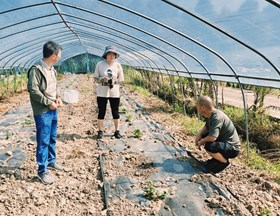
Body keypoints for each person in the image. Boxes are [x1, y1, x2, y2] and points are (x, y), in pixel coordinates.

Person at [27, 41, 63, 184]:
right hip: (43, 110)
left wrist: (58, 98)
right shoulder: (36, 70)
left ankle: (51, 161)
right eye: (59, 53)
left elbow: (55, 86)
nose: (60, 56)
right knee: (43, 140)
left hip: (53, 109)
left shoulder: (52, 69)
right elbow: (34, 91)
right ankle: (42, 171)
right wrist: (49, 103)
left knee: (52, 137)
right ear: (53, 56)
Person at [195, 96, 240, 173]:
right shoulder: (211, 115)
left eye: (197, 106)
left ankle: (224, 163)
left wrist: (201, 142)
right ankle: (217, 160)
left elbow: (213, 137)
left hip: (233, 148)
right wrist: (199, 135)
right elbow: (206, 127)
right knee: (205, 136)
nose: (196, 108)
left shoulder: (217, 117)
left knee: (209, 145)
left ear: (203, 107)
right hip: (225, 143)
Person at [94, 45, 124, 139]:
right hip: (102, 92)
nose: (111, 56)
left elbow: (122, 79)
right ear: (106, 55)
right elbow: (95, 77)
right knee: (101, 111)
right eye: (109, 54)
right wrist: (102, 79)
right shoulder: (100, 64)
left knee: (115, 112)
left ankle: (117, 131)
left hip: (114, 93)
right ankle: (100, 131)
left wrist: (114, 81)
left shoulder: (118, 65)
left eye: (113, 54)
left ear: (115, 56)